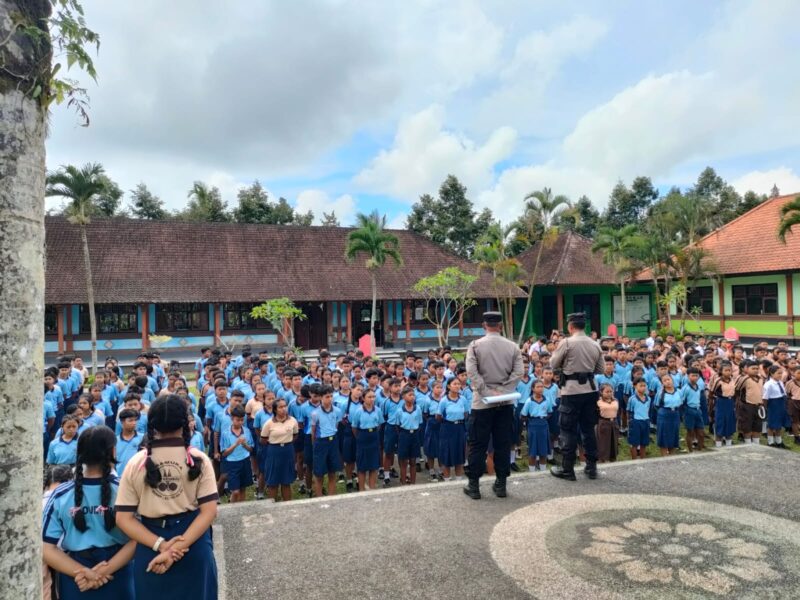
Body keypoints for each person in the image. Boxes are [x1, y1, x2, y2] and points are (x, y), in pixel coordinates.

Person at [115, 395, 218, 599]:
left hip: (150, 543)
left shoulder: (136, 463)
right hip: (192, 541)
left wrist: (162, 546)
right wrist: (177, 547)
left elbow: (123, 518)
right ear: (184, 423)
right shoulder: (198, 459)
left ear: (152, 425)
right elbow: (209, 512)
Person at [43, 426, 136, 599]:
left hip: (75, 577)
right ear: (112, 451)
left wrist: (85, 573)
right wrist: (104, 571)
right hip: (117, 572)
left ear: (78, 452)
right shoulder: (124, 490)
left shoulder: (60, 494)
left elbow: (46, 547)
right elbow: (136, 539)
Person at [464, 311, 524, 500]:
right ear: (501, 326)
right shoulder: (513, 346)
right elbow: (519, 372)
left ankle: (474, 486)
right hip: (505, 401)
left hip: (482, 403)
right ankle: (501, 484)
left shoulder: (475, 346)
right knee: (502, 444)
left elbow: (471, 373)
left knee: (477, 444)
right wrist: (503, 390)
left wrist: (487, 392)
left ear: (484, 326)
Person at [550, 312, 604, 481]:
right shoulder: (594, 344)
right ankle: (591, 467)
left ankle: (568, 469)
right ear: (584, 326)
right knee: (588, 429)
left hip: (571, 391)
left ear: (570, 326)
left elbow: (553, 364)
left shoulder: (566, 342)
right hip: (590, 390)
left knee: (568, 430)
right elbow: (601, 369)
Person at [260, 398, 299, 502]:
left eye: (285, 406)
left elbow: (295, 435)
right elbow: (263, 440)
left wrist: (286, 442)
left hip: (288, 451)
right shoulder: (269, 423)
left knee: (286, 481)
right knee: (273, 482)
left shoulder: (293, 421)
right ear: (275, 409)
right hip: (274, 452)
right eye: (280, 407)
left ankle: (287, 504)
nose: (283, 409)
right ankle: (272, 505)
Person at [219, 405, 254, 503]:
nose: (240, 422)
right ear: (232, 419)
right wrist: (235, 444)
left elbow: (251, 449)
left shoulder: (246, 431)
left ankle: (241, 507)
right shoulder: (226, 433)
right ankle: (231, 506)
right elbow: (224, 453)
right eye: (237, 420)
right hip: (232, 464)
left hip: (245, 461)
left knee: (243, 488)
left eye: (242, 420)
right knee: (235, 491)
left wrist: (245, 445)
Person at [351, 389, 384, 491]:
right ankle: (361, 489)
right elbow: (354, 427)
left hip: (374, 437)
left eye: (373, 397)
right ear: (363, 398)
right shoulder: (358, 411)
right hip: (362, 437)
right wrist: (360, 437)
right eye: (369, 397)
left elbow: (379, 424)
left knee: (373, 465)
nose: (372, 399)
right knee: (362, 466)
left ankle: (372, 488)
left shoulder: (378, 410)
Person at [392, 386, 424, 485]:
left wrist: (414, 431)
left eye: (413, 395)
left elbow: (420, 423)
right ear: (403, 397)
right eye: (410, 395)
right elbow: (397, 426)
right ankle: (403, 482)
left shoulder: (417, 409)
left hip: (414, 435)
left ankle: (413, 482)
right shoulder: (399, 410)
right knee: (403, 461)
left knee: (413, 460)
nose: (412, 397)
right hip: (404, 435)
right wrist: (404, 434)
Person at [520, 380, 552, 471]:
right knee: (533, 451)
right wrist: (531, 420)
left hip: (543, 425)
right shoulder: (529, 401)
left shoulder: (547, 400)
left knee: (543, 450)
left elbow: (550, 412)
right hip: (533, 426)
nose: (540, 389)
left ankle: (543, 471)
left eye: (542, 387)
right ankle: (532, 472)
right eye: (538, 387)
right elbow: (523, 415)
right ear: (533, 389)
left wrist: (543, 418)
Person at [763, 365, 788, 448]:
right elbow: (765, 398)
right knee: (772, 424)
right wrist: (766, 408)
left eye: (781, 373)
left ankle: (779, 441)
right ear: (771, 373)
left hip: (781, 403)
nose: (780, 375)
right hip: (773, 404)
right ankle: (770, 442)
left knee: (779, 424)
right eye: (778, 373)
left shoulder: (780, 382)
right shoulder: (768, 384)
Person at [595, 383, 619, 463]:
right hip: (603, 423)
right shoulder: (598, 402)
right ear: (601, 392)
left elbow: (617, 412)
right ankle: (602, 460)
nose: (609, 393)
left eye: (611, 391)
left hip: (614, 423)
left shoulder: (615, 401)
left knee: (613, 442)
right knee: (603, 443)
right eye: (607, 392)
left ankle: (612, 459)